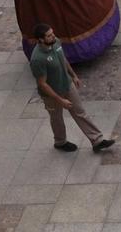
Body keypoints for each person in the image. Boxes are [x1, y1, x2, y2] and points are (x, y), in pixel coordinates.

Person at [29, 22, 115, 153]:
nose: (53, 36)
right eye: (49, 36)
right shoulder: (37, 59)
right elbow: (43, 84)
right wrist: (60, 100)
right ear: (41, 39)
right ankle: (60, 142)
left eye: (52, 33)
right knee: (57, 118)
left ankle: (97, 140)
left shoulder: (56, 42)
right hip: (51, 95)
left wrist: (73, 75)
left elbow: (63, 59)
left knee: (80, 111)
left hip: (67, 84)